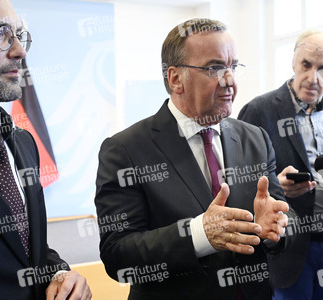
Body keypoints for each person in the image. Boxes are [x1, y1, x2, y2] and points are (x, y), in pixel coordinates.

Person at [94, 18, 291, 300]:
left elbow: (282, 215)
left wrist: (275, 226)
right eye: (214, 68)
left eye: (233, 66)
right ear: (176, 79)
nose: (229, 81)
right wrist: (199, 234)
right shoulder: (125, 149)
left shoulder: (255, 138)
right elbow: (118, 256)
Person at [238, 29, 323, 299]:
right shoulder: (258, 110)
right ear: (293, 62)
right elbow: (239, 184)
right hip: (287, 250)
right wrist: (275, 187)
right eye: (306, 65)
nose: (313, 78)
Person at [0, 1, 91, 299]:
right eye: (0, 33)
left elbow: (27, 248)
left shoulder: (23, 142)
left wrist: (59, 273)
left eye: (19, 34)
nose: (20, 50)